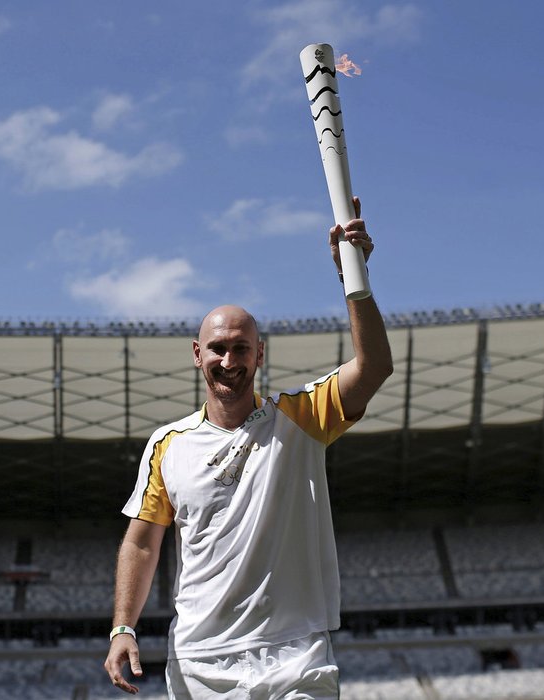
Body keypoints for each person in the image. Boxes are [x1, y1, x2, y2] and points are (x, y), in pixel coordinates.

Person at [103, 197, 393, 698]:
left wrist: (354, 277)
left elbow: (374, 368)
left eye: (241, 347)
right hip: (199, 662)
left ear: (260, 353)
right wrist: (123, 626)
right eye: (217, 348)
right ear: (198, 355)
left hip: (294, 653)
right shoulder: (168, 445)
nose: (229, 359)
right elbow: (142, 541)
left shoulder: (300, 417)